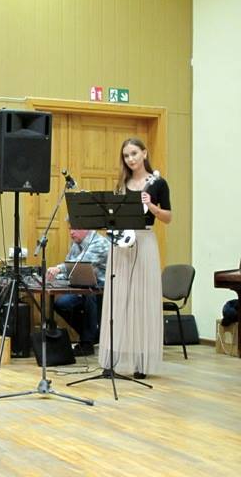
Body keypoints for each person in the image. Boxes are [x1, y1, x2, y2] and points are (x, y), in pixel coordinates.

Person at [98, 137, 172, 379]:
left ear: (144, 153)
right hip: (121, 244)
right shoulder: (121, 185)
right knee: (118, 299)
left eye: (134, 153)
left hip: (145, 241)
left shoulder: (158, 183)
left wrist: (152, 206)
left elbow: (168, 217)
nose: (130, 159)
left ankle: (142, 362)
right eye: (126, 155)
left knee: (142, 299)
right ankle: (113, 360)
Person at [47, 227, 110, 356]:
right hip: (84, 287)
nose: (71, 232)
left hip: (104, 290)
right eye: (70, 228)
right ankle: (93, 335)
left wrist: (58, 269)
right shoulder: (76, 244)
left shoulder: (100, 243)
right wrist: (53, 277)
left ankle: (87, 343)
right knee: (61, 304)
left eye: (75, 228)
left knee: (89, 296)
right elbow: (70, 270)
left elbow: (80, 263)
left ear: (86, 228)